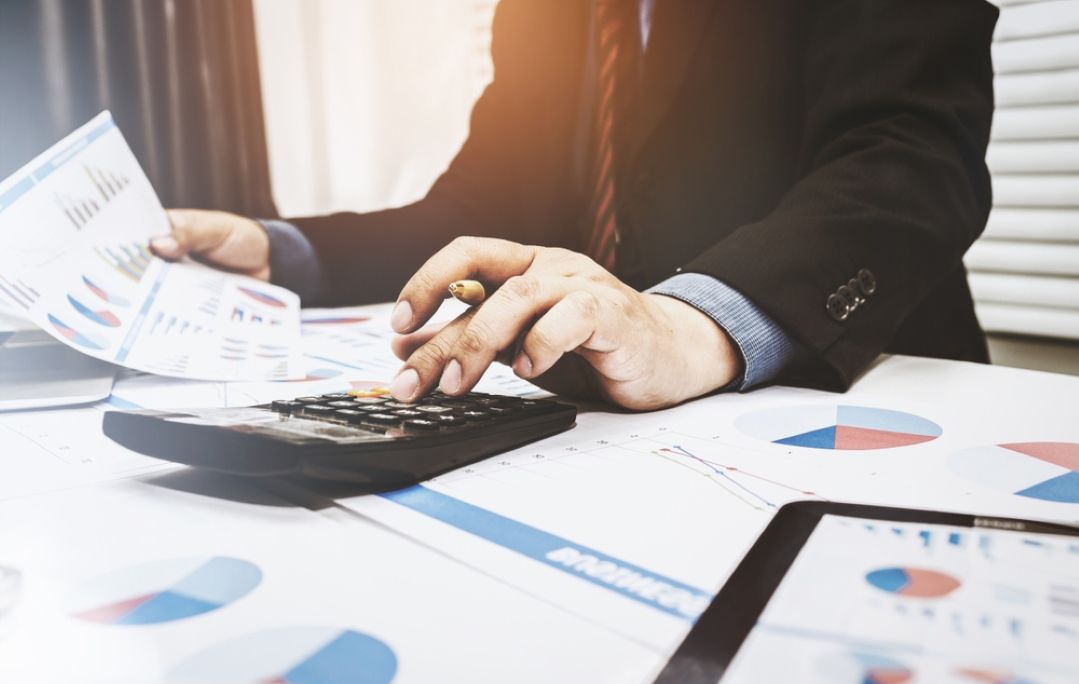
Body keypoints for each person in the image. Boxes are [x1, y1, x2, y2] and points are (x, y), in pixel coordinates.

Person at [152, 0, 998, 410]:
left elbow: (909, 158)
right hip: (619, 430)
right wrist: (279, 250)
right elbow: (483, 198)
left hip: (862, 394)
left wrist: (692, 324)